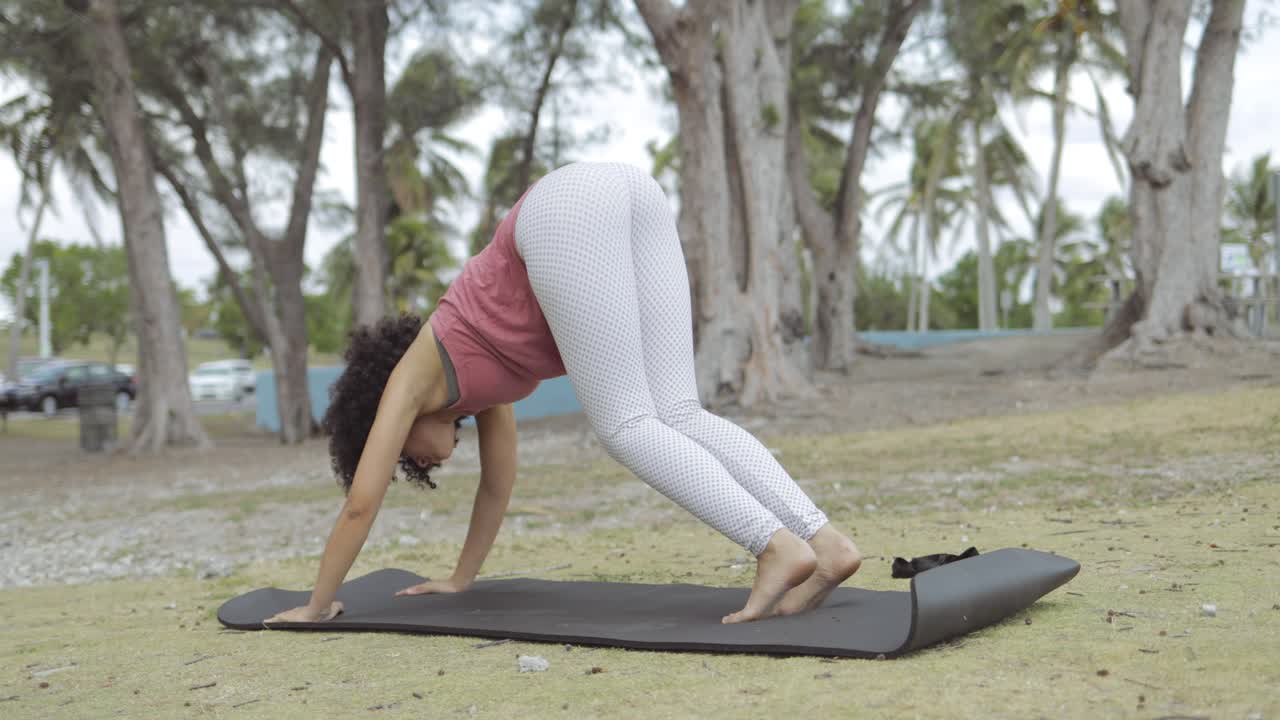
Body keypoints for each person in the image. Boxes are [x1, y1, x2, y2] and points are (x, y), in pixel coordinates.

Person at [267, 161, 861, 626]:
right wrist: (460, 579)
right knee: (677, 413)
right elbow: (497, 486)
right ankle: (824, 543)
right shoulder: (478, 387)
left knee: (627, 427)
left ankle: (774, 546)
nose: (415, 461)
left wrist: (317, 604)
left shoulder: (411, 379)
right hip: (632, 193)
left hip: (567, 210)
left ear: (380, 418)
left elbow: (359, 504)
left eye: (401, 453)